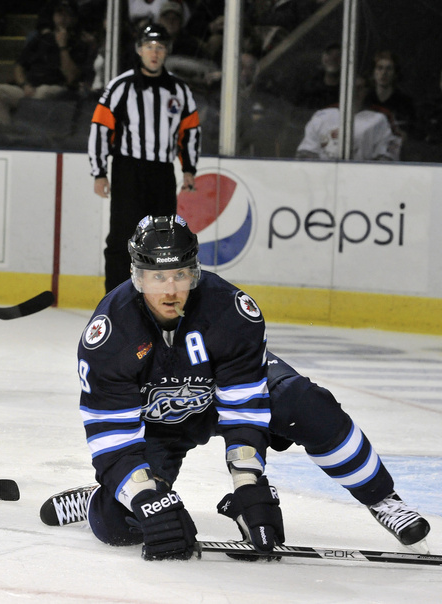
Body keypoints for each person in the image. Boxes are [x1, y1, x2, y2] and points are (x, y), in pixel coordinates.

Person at [39, 214, 431, 561]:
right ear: (138, 278)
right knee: (116, 523)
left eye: (179, 274)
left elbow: (245, 407)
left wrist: (249, 486)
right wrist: (144, 495)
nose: (171, 289)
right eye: (158, 277)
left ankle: (383, 500)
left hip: (220, 397)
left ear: (193, 273)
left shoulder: (230, 310)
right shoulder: (110, 334)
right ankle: (100, 497)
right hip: (160, 423)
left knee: (306, 404)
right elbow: (111, 435)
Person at [88, 23, 200, 294]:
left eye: (160, 47)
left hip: (162, 172)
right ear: (139, 50)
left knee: (165, 240)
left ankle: (159, 298)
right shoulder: (121, 86)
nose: (154, 52)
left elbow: (190, 131)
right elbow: (100, 127)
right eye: (149, 46)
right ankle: (115, 301)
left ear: (166, 52)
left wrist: (189, 168)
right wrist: (99, 171)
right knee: (121, 239)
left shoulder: (179, 90)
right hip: (128, 170)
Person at [0, 0, 87, 133]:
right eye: (59, 14)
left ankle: (28, 135)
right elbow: (19, 66)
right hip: (29, 89)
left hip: (58, 90)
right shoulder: (40, 39)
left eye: (66, 14)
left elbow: (71, 78)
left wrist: (62, 46)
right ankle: (5, 133)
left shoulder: (79, 43)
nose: (62, 18)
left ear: (74, 18)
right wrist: (24, 85)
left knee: (43, 92)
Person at [296, 75, 402, 161]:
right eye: (350, 87)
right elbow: (305, 153)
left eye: (359, 88)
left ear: (367, 91)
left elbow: (386, 157)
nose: (354, 92)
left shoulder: (380, 119)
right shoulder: (322, 116)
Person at [363, 50, 416, 143]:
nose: (384, 73)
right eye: (380, 68)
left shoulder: (405, 102)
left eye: (389, 69)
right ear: (373, 72)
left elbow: (409, 133)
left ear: (395, 73)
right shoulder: (365, 99)